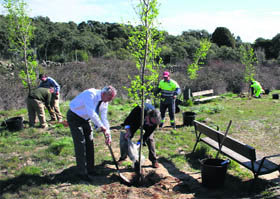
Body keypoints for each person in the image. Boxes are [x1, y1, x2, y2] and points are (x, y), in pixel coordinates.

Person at [66, 86, 117, 180]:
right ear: (104, 94)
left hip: (86, 119)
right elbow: (91, 112)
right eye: (109, 99)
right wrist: (101, 126)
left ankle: (90, 169)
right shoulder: (90, 94)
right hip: (74, 117)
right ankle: (82, 173)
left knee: (90, 142)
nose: (108, 102)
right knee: (80, 144)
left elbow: (104, 117)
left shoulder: (104, 102)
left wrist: (108, 134)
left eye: (111, 100)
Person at [118, 103, 161, 168]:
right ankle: (123, 157)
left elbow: (146, 135)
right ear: (148, 116)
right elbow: (127, 121)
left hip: (145, 123)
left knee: (150, 139)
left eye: (153, 124)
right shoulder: (139, 109)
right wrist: (128, 131)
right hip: (136, 121)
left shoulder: (154, 123)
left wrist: (138, 144)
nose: (151, 125)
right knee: (126, 136)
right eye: (151, 122)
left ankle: (154, 160)